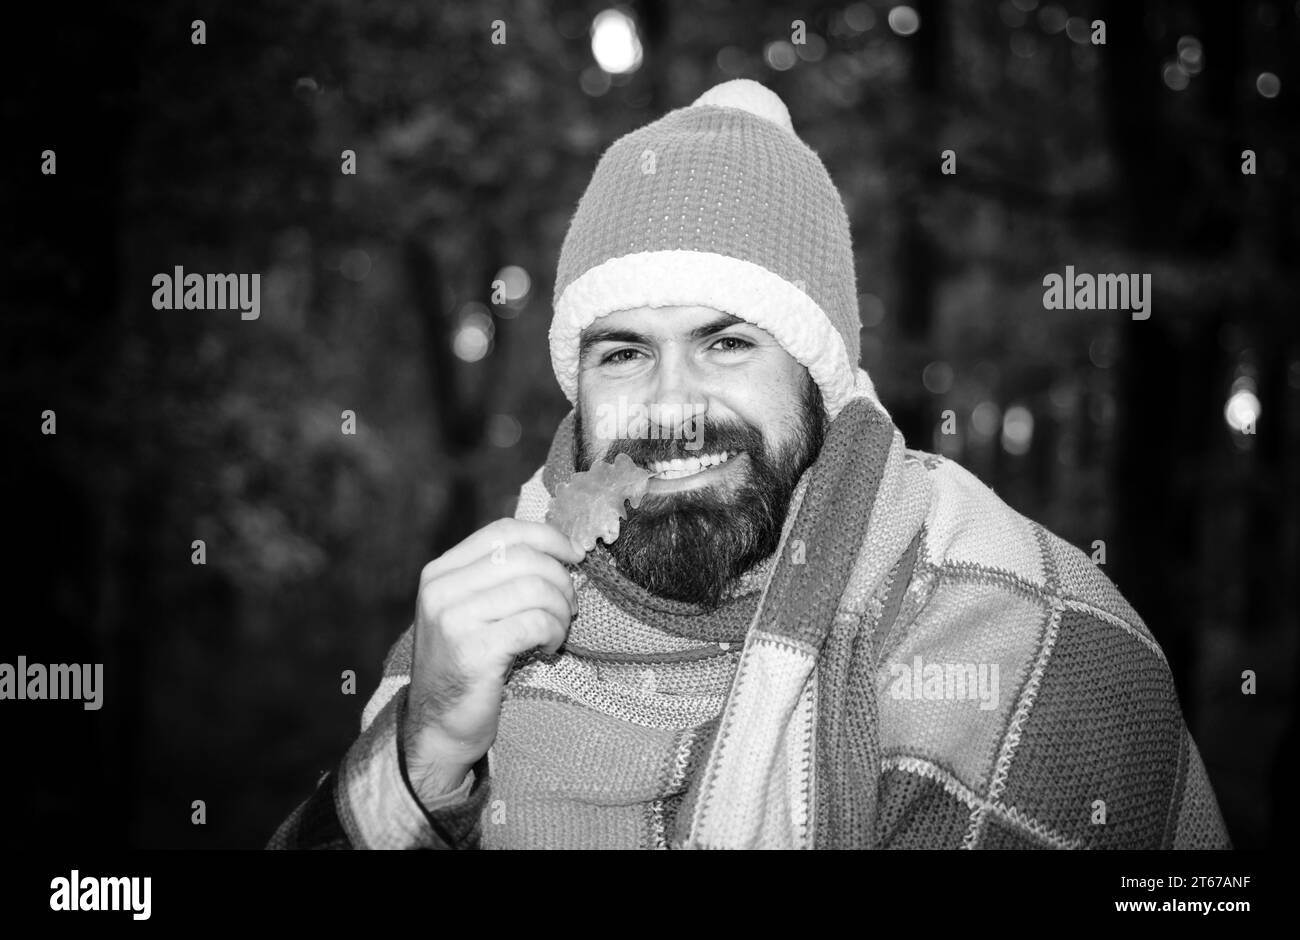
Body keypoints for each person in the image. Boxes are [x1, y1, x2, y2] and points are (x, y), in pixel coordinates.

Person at [268, 79, 1230, 850]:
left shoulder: (1024, 637)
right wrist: (425, 760)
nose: (674, 406)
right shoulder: (475, 625)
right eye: (624, 351)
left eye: (727, 343)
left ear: (820, 376)